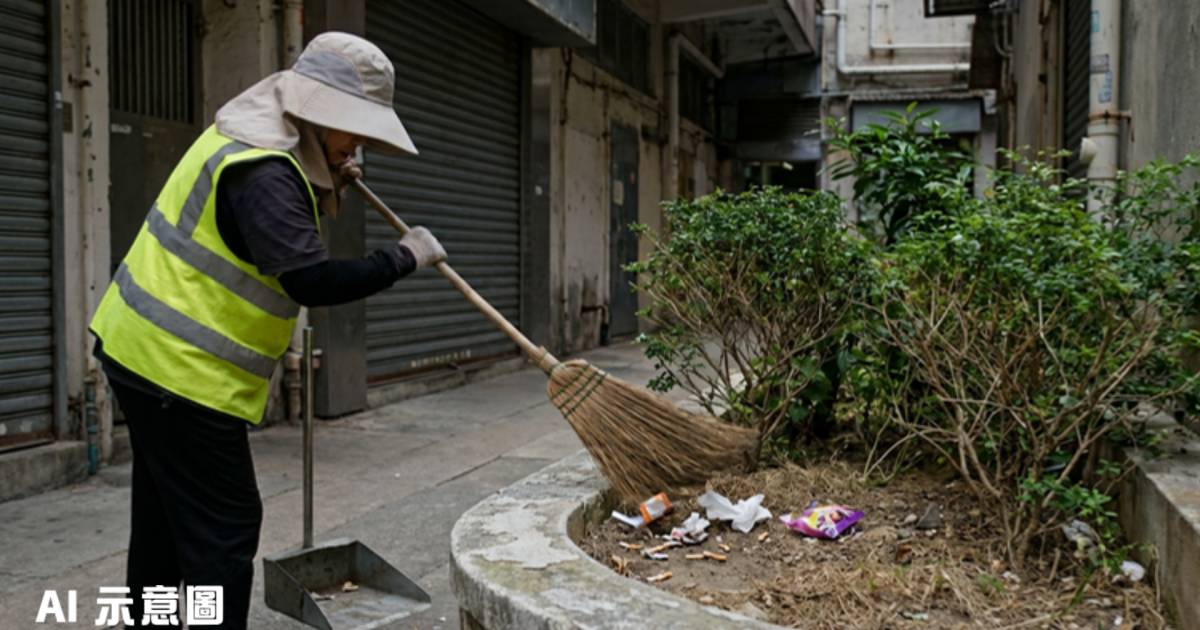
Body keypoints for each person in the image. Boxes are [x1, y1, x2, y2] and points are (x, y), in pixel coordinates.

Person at [88, 32, 442, 629]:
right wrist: (402, 258)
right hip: (181, 374)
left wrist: (330, 169)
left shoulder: (255, 129)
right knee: (223, 533)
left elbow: (276, 224)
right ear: (318, 114)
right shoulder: (267, 173)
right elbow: (310, 281)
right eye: (352, 129)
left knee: (165, 520)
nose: (356, 142)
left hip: (137, 349)